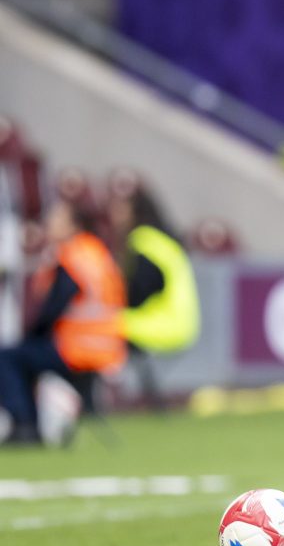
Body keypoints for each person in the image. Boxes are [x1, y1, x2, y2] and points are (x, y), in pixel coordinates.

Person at [0, 196, 126, 444]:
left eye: (56, 217)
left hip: (77, 349)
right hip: (108, 348)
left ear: (73, 224)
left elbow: (57, 303)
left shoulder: (72, 255)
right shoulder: (95, 251)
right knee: (25, 354)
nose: (49, 221)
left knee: (7, 357)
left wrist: (33, 333)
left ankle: (24, 424)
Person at [108, 171, 200, 357]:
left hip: (157, 326)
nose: (113, 214)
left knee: (91, 326)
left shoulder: (145, 242)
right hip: (178, 326)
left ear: (134, 210)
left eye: (119, 208)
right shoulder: (161, 239)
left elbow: (141, 290)